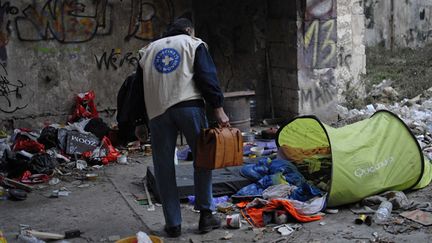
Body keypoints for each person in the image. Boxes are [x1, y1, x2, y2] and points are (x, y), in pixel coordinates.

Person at [135, 18, 230, 237]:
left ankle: (173, 224)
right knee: (202, 158)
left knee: (164, 167)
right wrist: (218, 108)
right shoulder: (193, 43)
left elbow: (137, 89)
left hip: (157, 113)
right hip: (189, 106)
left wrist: (140, 122)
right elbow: (207, 76)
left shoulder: (147, 51)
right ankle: (206, 215)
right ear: (188, 30)